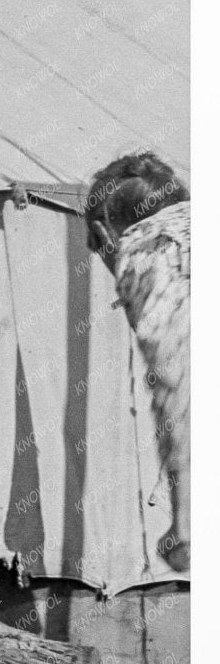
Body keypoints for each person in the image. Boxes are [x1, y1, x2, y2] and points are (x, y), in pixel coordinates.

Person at [85, 151, 190, 573]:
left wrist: (185, 521)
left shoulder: (150, 251)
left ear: (102, 233)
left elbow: (179, 378)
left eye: (96, 248)